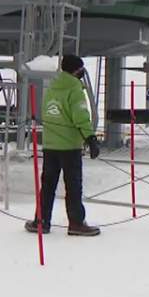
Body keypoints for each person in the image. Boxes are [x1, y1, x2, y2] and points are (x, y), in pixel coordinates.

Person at [25, 54, 101, 237]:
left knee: (48, 185)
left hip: (51, 145)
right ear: (76, 70)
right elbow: (80, 116)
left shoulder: (52, 87)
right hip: (70, 147)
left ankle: (41, 221)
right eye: (81, 69)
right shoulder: (75, 89)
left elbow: (48, 113)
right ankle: (76, 223)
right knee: (73, 186)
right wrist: (90, 138)